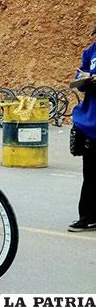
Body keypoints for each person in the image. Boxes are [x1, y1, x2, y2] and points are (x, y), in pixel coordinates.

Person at [68, 28, 96, 232]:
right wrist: (85, 78)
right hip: (90, 122)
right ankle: (88, 217)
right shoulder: (90, 52)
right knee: (91, 173)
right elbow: (80, 76)